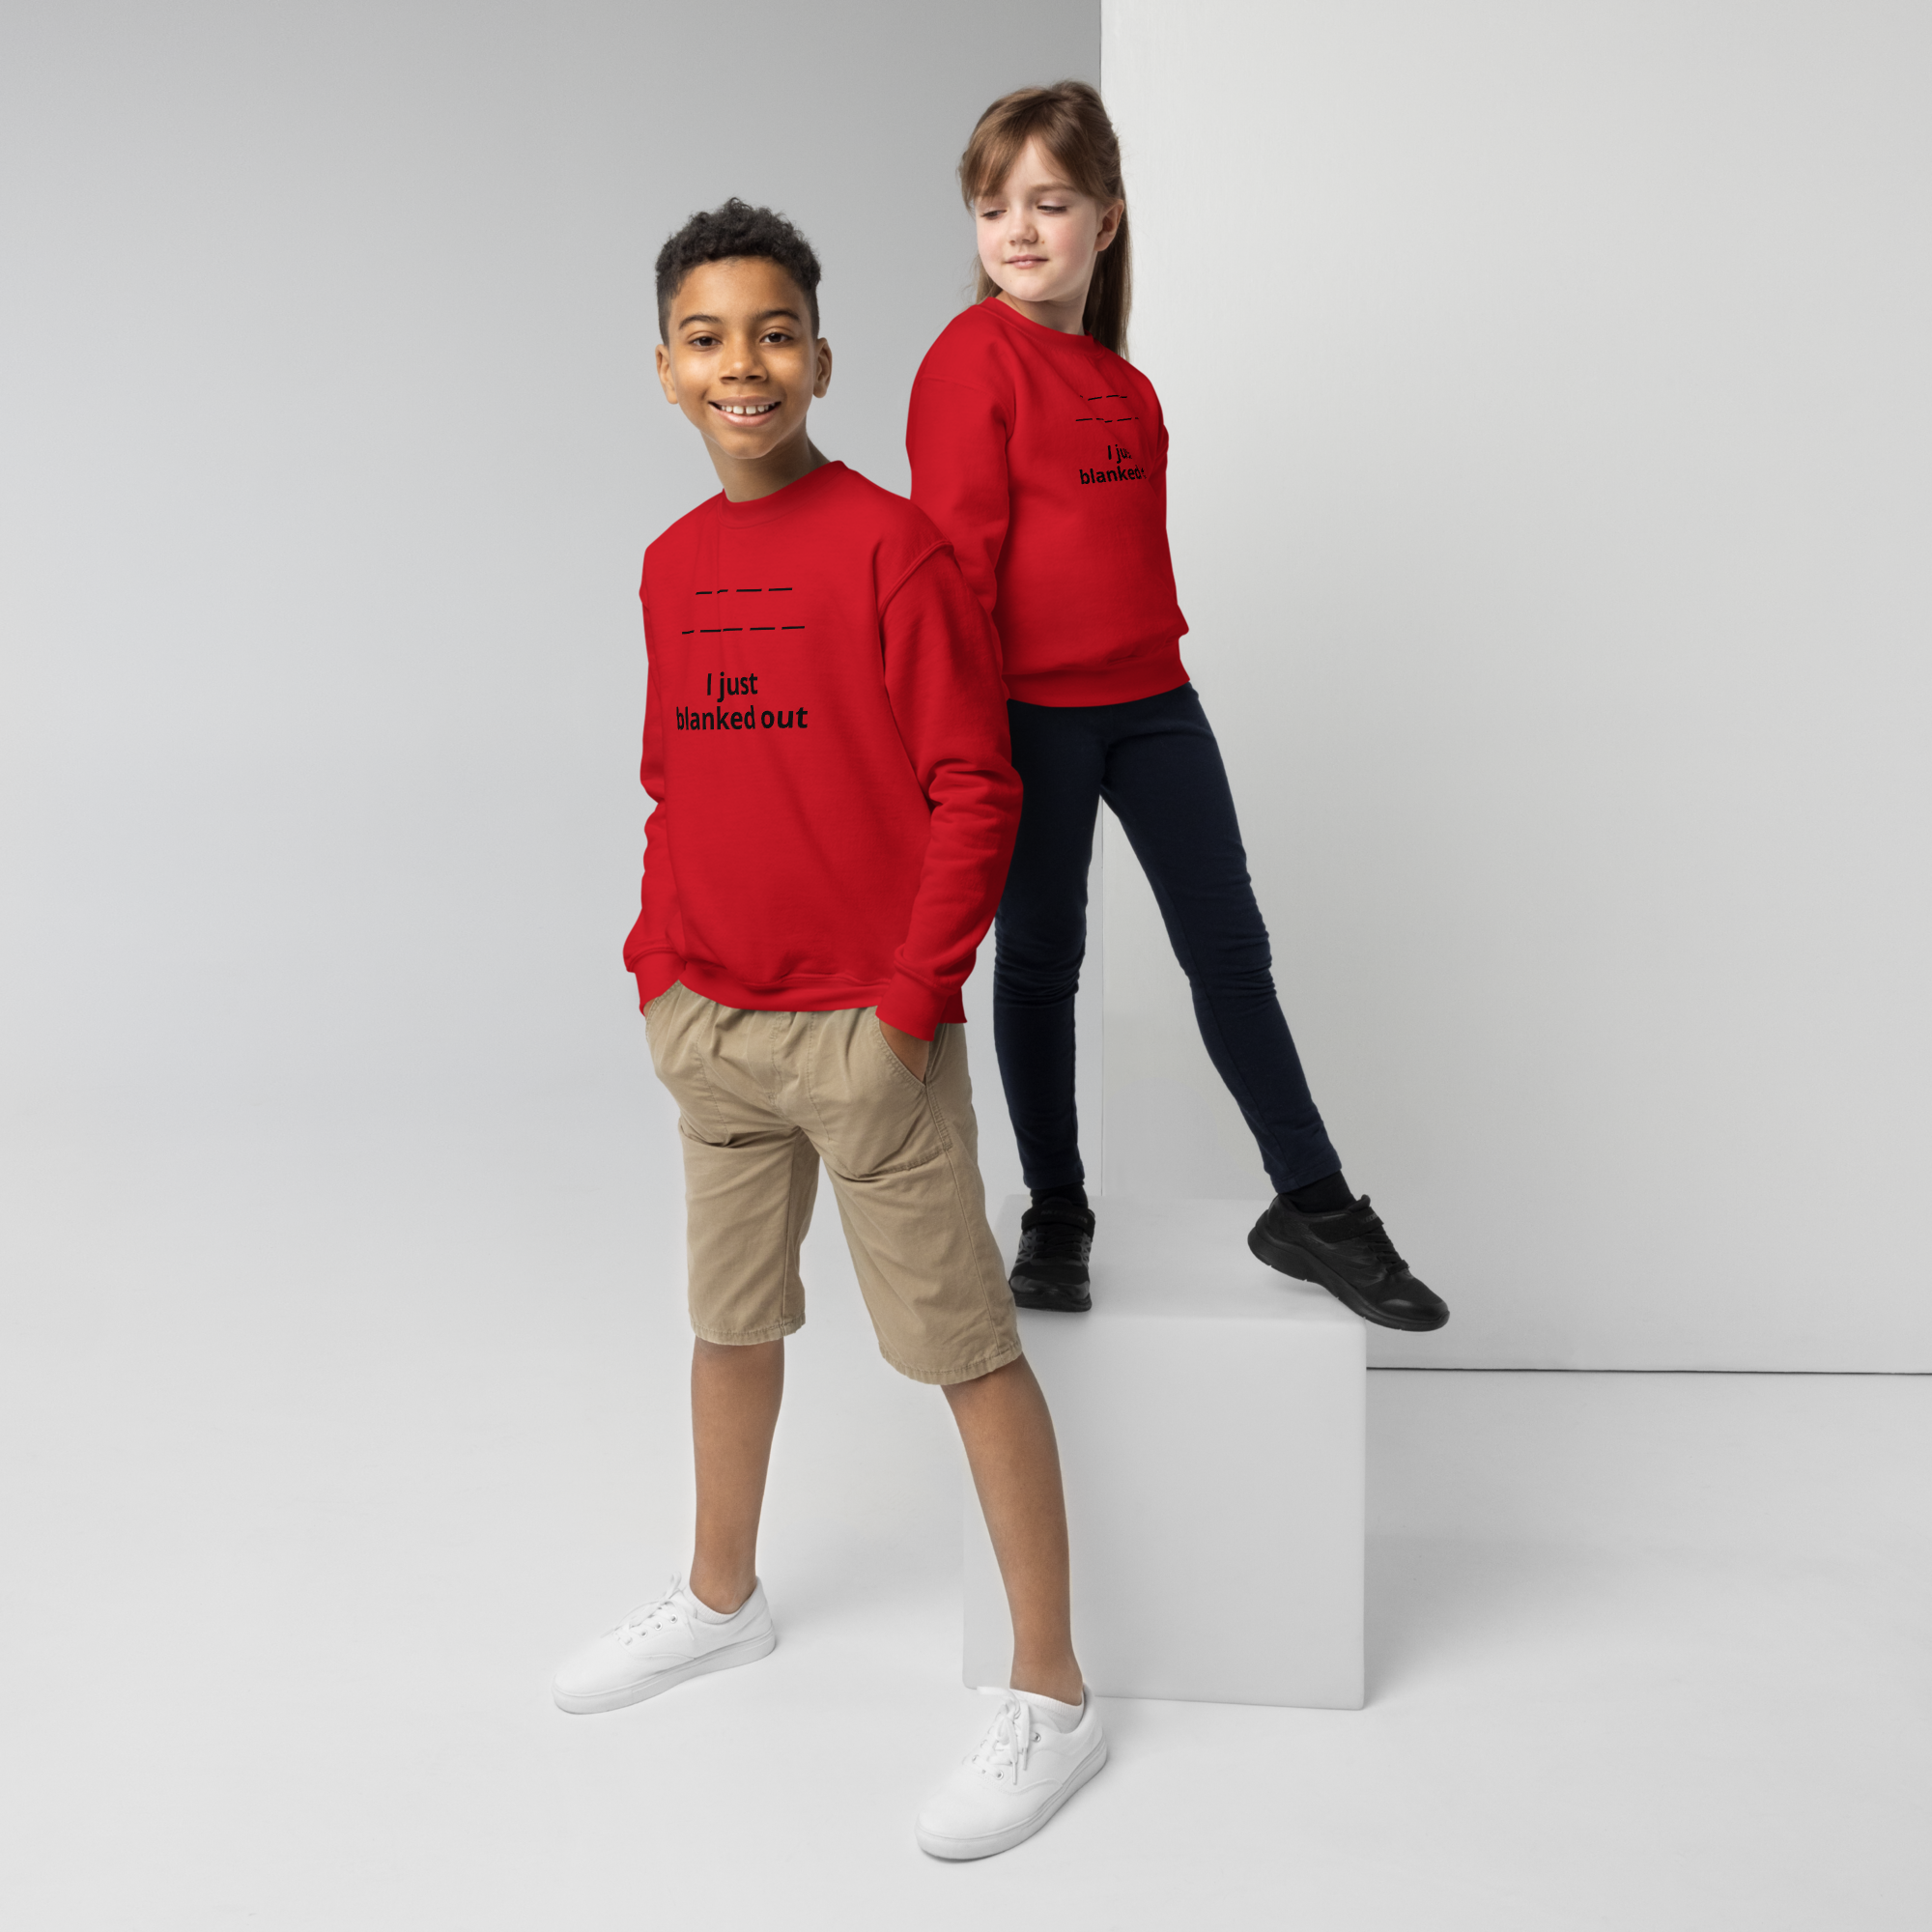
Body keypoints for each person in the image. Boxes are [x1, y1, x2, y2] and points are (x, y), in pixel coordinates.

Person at [550, 199, 1107, 1861]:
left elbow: (972, 785)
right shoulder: (669, 565)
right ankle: (723, 1597)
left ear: (823, 357)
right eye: (710, 338)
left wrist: (909, 1003)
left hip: (868, 1039)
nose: (745, 364)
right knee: (730, 1325)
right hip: (712, 1020)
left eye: (775, 333)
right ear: (665, 370)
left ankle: (1053, 1692)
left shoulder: (892, 547)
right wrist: (659, 965)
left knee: (964, 1348)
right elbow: (677, 780)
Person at [906, 84, 1449, 1333]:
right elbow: (956, 570)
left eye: (1049, 203)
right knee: (1042, 966)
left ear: (1108, 216)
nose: (1020, 231)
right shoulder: (969, 360)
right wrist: (957, 748)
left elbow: (1119, 567)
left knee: (1231, 956)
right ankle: (1056, 1210)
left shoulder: (1121, 386)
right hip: (1029, 713)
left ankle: (1311, 1207)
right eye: (995, 208)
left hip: (1154, 704)